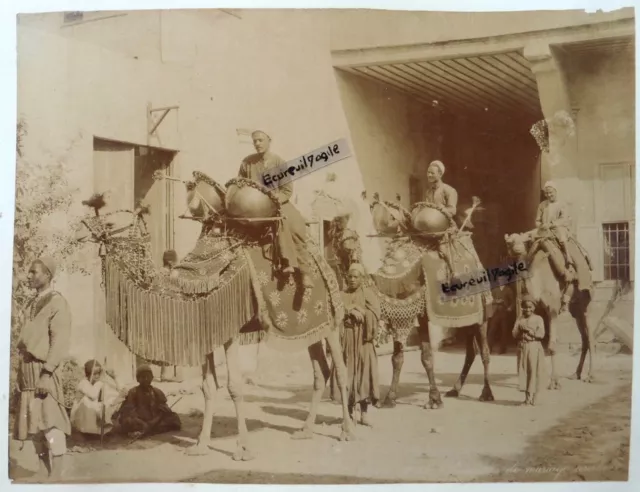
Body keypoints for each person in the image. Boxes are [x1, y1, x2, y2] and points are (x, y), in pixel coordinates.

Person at [14, 257, 72, 480]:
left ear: (48, 275)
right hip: (27, 370)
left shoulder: (57, 302)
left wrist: (47, 373)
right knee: (33, 424)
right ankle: (43, 470)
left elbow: (59, 341)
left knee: (50, 422)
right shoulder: (30, 304)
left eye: (34, 272)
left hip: (43, 369)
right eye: (28, 272)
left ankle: (57, 474)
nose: (29, 276)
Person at [238, 130, 314, 289]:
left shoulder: (280, 163)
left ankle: (301, 269)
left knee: (293, 224)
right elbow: (241, 185)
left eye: (260, 140)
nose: (257, 143)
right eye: (255, 141)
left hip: (277, 203)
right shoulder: (247, 163)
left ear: (269, 140)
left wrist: (274, 199)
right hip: (253, 206)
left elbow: (287, 191)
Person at [330, 263, 381, 426]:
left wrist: (362, 311)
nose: (352, 279)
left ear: (362, 278)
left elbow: (376, 314)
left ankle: (364, 413)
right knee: (349, 375)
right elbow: (333, 312)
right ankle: (349, 412)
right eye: (350, 276)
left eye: (356, 276)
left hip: (364, 341)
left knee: (365, 375)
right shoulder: (340, 295)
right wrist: (349, 309)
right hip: (347, 339)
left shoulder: (368, 294)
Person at [114, 365, 181, 438]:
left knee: (174, 418)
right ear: (138, 379)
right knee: (127, 421)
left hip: (154, 420)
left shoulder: (157, 392)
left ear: (152, 378)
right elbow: (129, 411)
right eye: (143, 377)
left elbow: (163, 411)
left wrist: (153, 422)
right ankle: (149, 430)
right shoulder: (133, 392)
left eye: (148, 377)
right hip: (139, 421)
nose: (146, 379)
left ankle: (147, 430)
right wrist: (143, 423)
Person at [70, 360, 127, 436]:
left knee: (108, 398)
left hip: (90, 411)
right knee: (87, 400)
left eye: (98, 373)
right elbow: (93, 395)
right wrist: (99, 383)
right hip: (79, 414)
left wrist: (114, 378)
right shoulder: (83, 383)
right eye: (94, 374)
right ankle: (88, 431)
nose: (97, 376)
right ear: (88, 374)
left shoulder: (96, 383)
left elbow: (116, 390)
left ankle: (96, 430)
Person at [423, 160, 458, 275]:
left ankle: (454, 272)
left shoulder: (449, 190)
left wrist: (443, 210)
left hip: (445, 225)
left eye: (432, 173)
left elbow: (453, 210)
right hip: (429, 226)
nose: (429, 175)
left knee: (443, 249)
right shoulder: (427, 192)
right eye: (428, 172)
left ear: (440, 174)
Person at [512, 295, 547, 406]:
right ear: (522, 307)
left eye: (530, 307)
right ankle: (527, 398)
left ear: (534, 307)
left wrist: (530, 332)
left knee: (534, 371)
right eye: (525, 307)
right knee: (524, 371)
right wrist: (519, 330)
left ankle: (535, 397)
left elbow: (541, 334)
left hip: (534, 347)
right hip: (522, 347)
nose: (528, 309)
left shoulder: (538, 319)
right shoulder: (520, 319)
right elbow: (513, 333)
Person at [536, 181, 574, 269]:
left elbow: (563, 219)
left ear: (555, 192)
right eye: (547, 193)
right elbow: (537, 220)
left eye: (551, 192)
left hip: (558, 228)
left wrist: (551, 224)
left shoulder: (562, 204)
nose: (549, 195)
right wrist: (541, 226)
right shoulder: (542, 205)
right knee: (530, 236)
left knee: (561, 235)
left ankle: (568, 256)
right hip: (544, 229)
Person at [159, 250, 182, 382]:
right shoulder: (169, 274)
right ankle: (169, 374)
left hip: (168, 311)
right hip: (171, 311)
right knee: (172, 343)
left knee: (168, 343)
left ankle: (167, 374)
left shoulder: (162, 273)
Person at [489, 283, 515, 354]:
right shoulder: (495, 290)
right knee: (492, 330)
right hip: (495, 313)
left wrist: (510, 308)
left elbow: (513, 302)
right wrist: (496, 301)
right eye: (500, 279)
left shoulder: (508, 290)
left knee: (504, 331)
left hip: (504, 312)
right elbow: (489, 300)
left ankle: (502, 349)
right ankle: (489, 348)